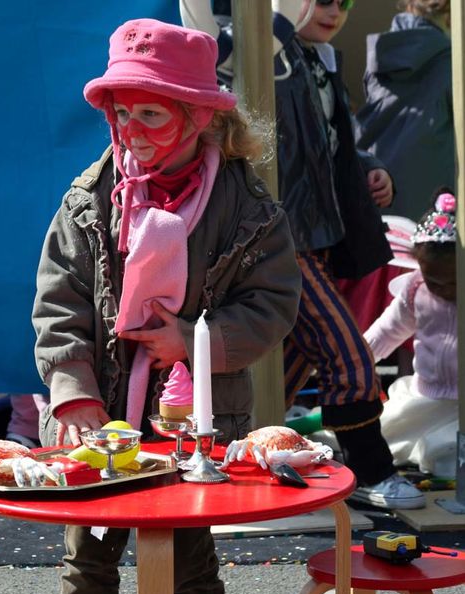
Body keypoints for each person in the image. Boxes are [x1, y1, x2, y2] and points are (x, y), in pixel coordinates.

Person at [27, 17, 301, 594]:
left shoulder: (245, 208)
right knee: (86, 548)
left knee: (187, 553)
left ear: (199, 116)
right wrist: (73, 391)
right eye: (121, 111)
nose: (133, 128)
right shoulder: (91, 197)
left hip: (194, 414)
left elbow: (274, 301)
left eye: (151, 112)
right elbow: (60, 303)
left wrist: (193, 342)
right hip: (104, 411)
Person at [181, 0, 426, 510]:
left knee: (287, 365)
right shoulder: (244, 42)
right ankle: (371, 470)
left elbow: (324, 141)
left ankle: (246, 457)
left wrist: (368, 166)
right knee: (346, 354)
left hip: (313, 232)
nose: (333, 10)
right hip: (276, 234)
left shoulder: (314, 58)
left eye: (343, 1)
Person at [364, 189, 458, 479]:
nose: (443, 289)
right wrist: (358, 360)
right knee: (387, 435)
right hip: (424, 397)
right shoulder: (417, 289)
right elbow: (386, 331)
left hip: (460, 408)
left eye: (453, 281)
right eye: (434, 281)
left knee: (444, 452)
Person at [354, 0, 453, 222]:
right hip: (430, 204)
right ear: (449, 15)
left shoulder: (383, 51)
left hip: (376, 186)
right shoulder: (450, 61)